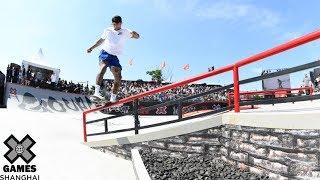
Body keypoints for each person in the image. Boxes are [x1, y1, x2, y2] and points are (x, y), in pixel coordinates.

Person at [87, 15, 140, 102]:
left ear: (121, 23)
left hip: (114, 57)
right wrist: (91, 48)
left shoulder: (126, 31)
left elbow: (137, 37)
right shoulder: (107, 30)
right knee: (103, 67)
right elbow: (100, 40)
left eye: (117, 24)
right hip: (105, 52)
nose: (115, 26)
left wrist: (135, 34)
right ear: (112, 23)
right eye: (114, 24)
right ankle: (96, 92)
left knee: (118, 76)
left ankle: (113, 97)